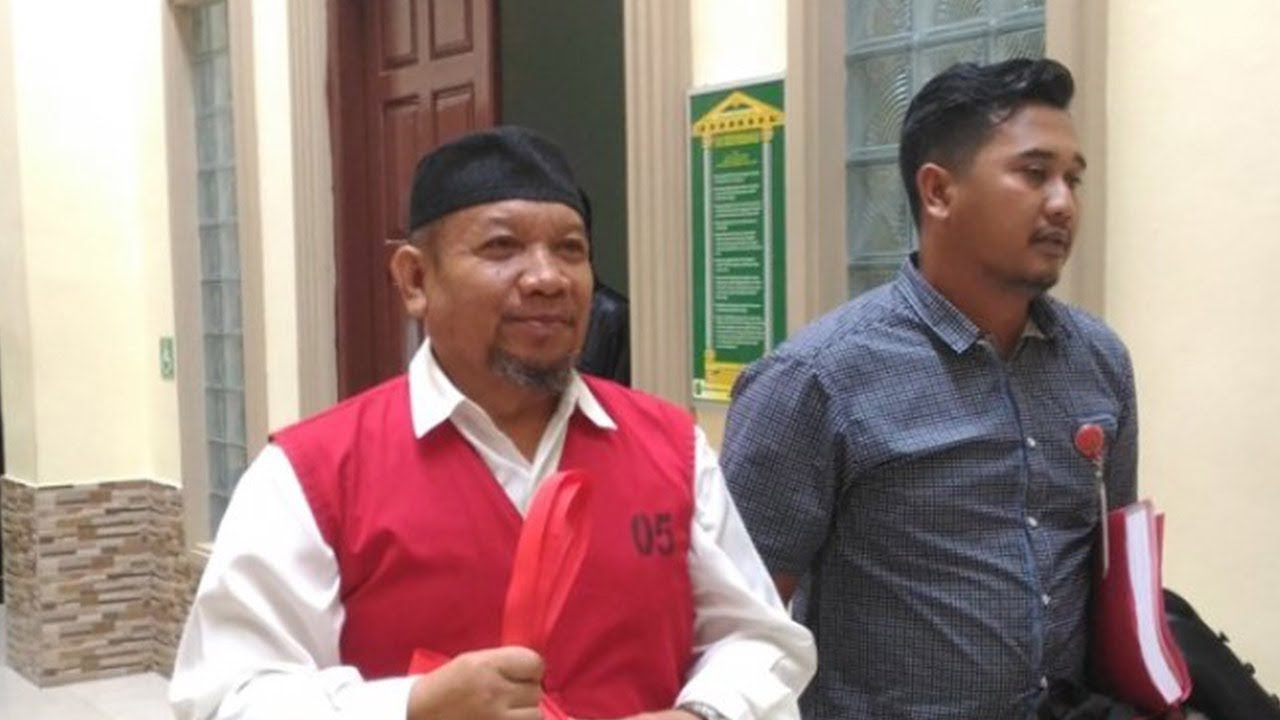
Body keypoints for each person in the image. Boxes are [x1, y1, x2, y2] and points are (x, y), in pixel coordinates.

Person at [170, 126, 815, 720]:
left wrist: (701, 714)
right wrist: (412, 705)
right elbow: (227, 696)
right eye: (502, 247)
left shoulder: (669, 448)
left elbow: (758, 638)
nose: (547, 277)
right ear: (415, 279)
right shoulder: (313, 475)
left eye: (570, 249)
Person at [721, 59, 1138, 719]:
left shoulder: (1098, 361)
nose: (1063, 203)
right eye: (1034, 174)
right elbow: (736, 620)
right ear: (938, 192)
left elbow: (1114, 572)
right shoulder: (817, 378)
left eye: (1073, 179)